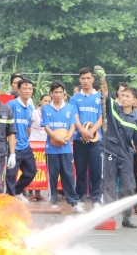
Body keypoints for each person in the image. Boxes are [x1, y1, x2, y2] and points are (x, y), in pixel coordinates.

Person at [98, 77, 137, 228]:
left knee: (128, 186)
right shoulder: (113, 108)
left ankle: (127, 217)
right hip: (111, 151)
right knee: (109, 183)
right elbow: (105, 94)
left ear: (135, 100)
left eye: (128, 96)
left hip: (126, 155)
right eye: (122, 95)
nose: (124, 98)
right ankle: (109, 216)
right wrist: (103, 77)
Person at [41, 80, 85, 214]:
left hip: (66, 147)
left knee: (68, 174)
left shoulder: (70, 108)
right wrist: (55, 137)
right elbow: (46, 126)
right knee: (53, 174)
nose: (58, 94)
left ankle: (73, 202)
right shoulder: (46, 108)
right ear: (51, 93)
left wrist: (68, 137)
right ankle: (53, 199)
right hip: (51, 148)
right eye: (56, 92)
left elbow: (72, 126)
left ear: (64, 94)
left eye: (61, 92)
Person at [70, 67, 103, 209]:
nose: (86, 81)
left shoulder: (99, 97)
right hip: (79, 139)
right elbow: (74, 116)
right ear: (80, 80)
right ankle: (80, 199)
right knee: (80, 170)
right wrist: (82, 132)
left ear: (93, 79)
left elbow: (102, 117)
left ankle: (96, 199)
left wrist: (92, 132)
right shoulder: (74, 98)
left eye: (88, 78)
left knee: (96, 170)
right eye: (83, 78)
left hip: (96, 141)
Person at [6, 79, 37, 203]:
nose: (27, 91)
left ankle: (17, 191)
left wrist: (25, 138)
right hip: (13, 146)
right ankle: (10, 198)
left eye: (30, 88)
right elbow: (5, 124)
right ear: (18, 90)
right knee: (11, 174)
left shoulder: (30, 108)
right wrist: (9, 139)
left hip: (25, 146)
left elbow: (28, 127)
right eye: (25, 88)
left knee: (31, 172)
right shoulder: (11, 104)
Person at [28, 94, 51, 202]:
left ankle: (38, 193)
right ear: (40, 101)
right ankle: (30, 192)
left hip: (45, 143)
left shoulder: (51, 113)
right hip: (33, 143)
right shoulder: (33, 113)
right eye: (45, 100)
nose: (46, 103)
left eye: (48, 101)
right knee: (31, 168)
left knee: (42, 168)